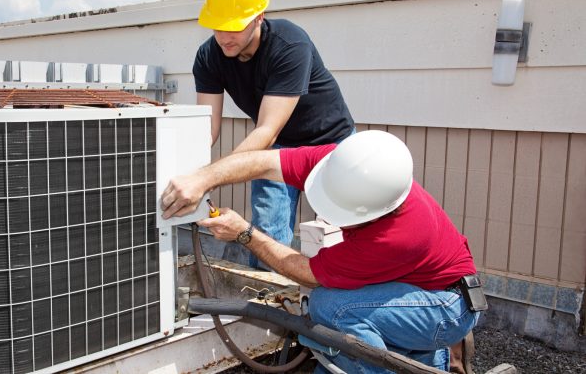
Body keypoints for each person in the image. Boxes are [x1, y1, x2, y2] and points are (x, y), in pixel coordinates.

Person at [161, 130, 480, 373]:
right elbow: (261, 161)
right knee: (337, 328)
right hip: (417, 287)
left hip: (447, 306)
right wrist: (202, 179)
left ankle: (414, 352)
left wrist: (245, 233)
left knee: (333, 307)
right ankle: (423, 358)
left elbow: (309, 275)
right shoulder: (342, 163)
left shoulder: (398, 235)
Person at [193, 0, 355, 268]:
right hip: (279, 147)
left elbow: (267, 130)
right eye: (216, 28)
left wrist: (209, 177)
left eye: (232, 28)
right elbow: (207, 128)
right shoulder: (209, 56)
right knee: (266, 235)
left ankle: (335, 302)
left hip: (331, 144)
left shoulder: (289, 44)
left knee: (341, 235)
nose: (223, 37)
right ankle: (269, 304)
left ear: (259, 18)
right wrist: (190, 174)